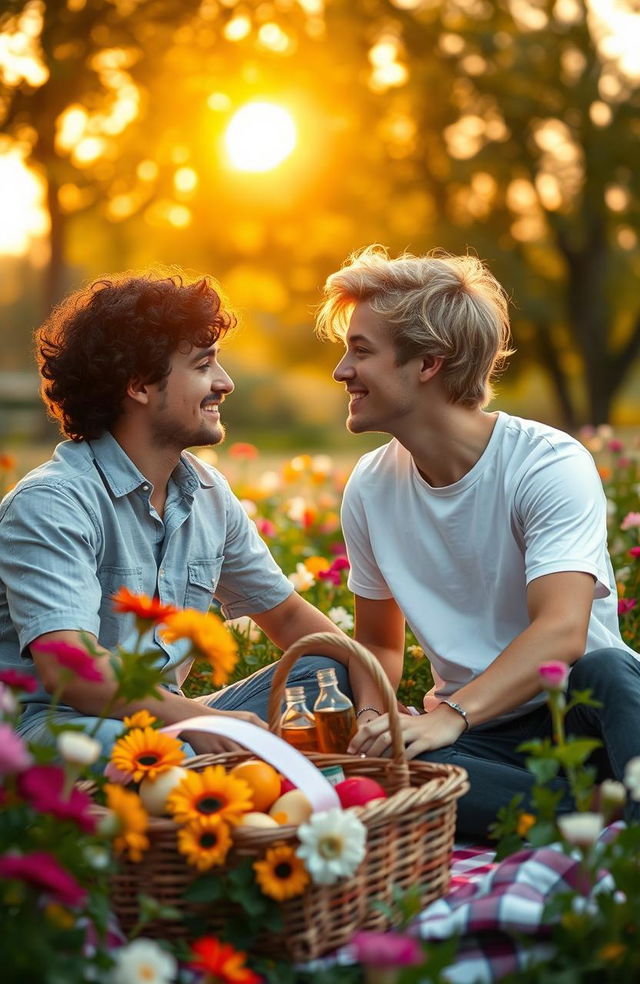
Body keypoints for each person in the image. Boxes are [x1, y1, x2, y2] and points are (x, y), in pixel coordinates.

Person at [316, 245, 640, 839]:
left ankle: (584, 809)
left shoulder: (547, 463)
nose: (342, 371)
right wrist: (372, 716)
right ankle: (597, 815)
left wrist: (450, 715)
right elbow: (378, 646)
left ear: (429, 363)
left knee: (617, 671)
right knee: (394, 773)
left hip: (577, 711)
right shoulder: (370, 486)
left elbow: (561, 633)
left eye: (361, 351)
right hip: (482, 743)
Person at [0, 272, 352, 756]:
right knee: (167, 755)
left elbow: (291, 618)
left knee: (328, 671)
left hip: (163, 716)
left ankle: (242, 777)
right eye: (204, 365)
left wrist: (378, 704)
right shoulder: (53, 503)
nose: (225, 383)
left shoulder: (207, 493)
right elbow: (72, 673)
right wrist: (207, 721)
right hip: (51, 731)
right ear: (140, 385)